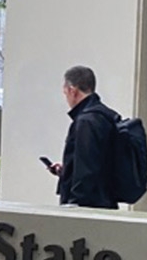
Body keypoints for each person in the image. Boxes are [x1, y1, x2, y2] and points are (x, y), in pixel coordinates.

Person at [50, 65, 120, 209]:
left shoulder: (86, 121)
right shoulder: (106, 115)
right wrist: (67, 169)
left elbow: (87, 169)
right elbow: (98, 160)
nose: (67, 98)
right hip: (105, 200)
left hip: (89, 207)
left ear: (72, 90)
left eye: (66, 93)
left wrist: (74, 204)